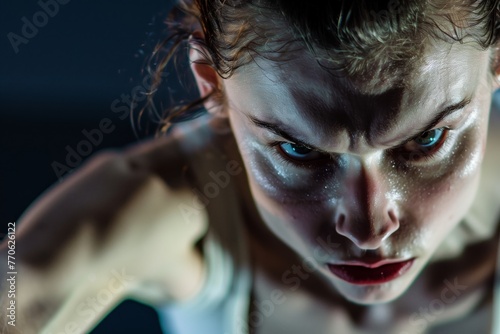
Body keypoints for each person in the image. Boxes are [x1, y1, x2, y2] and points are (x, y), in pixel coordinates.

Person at [2, 0, 500, 333]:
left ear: (496, 61)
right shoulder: (171, 211)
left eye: (427, 140)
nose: (368, 227)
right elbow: (18, 289)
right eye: (300, 152)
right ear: (212, 84)